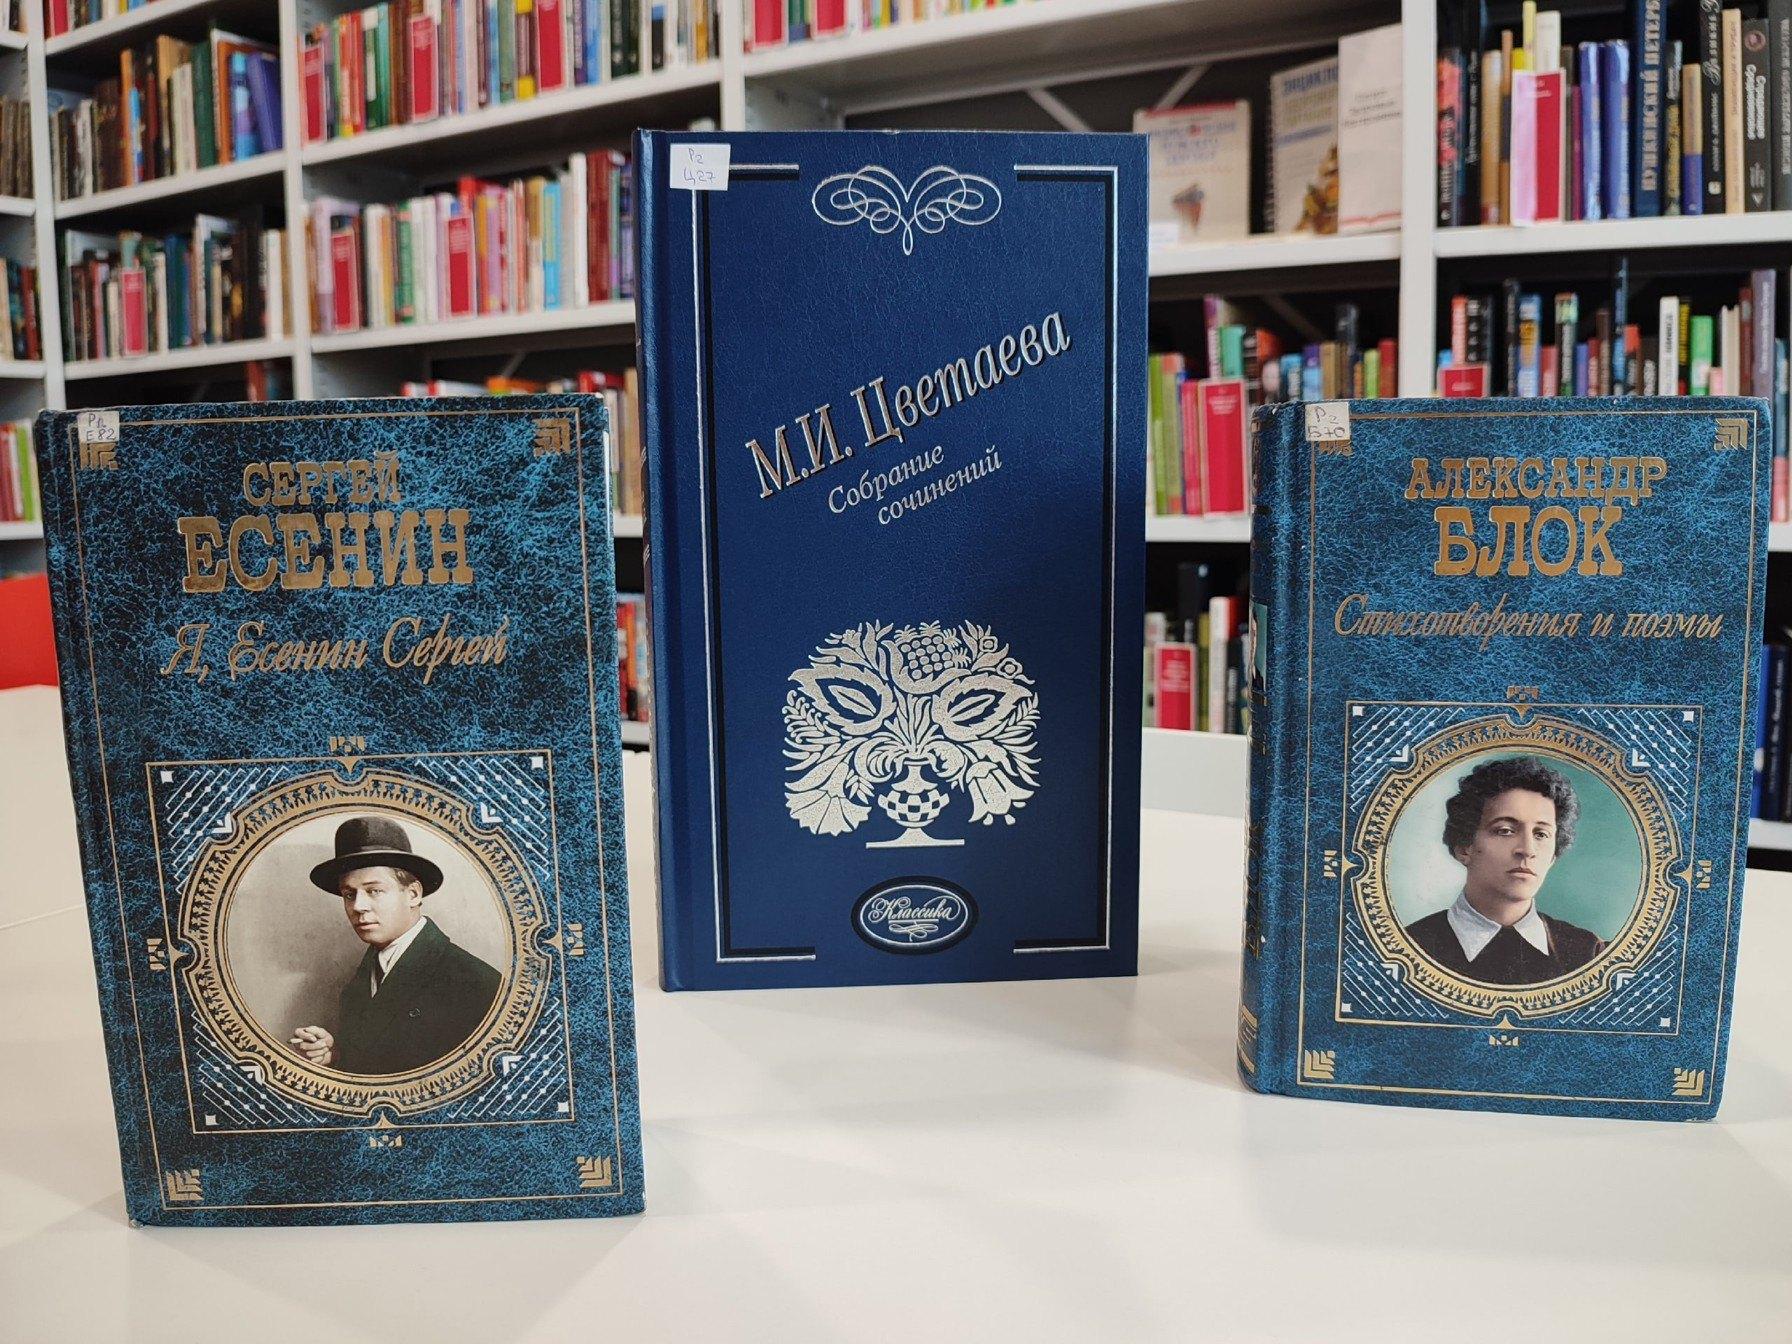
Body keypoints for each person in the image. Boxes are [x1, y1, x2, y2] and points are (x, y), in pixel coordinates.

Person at [288, 815, 502, 1074]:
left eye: (374, 891)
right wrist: (335, 1054)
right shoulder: (360, 981)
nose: (358, 906)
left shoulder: (476, 984)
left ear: (413, 894)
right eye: (349, 894)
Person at [1403, 755, 1604, 986]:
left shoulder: (1589, 953)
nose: (1527, 850)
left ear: (1552, 857)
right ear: (1464, 847)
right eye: (1505, 830)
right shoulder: (1407, 949)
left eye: (1541, 834)